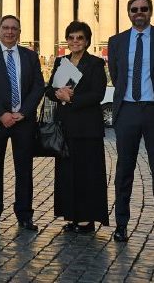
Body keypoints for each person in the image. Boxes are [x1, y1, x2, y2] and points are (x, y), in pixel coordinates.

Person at [0, 15, 44, 231]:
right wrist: (1, 113)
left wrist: (23, 112)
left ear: (19, 32)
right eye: (6, 28)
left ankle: (25, 215)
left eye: (14, 28)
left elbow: (38, 86)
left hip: (23, 121)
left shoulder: (30, 56)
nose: (9, 32)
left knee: (24, 169)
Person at [46, 21, 109, 233]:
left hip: (88, 129)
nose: (75, 41)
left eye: (80, 38)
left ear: (87, 41)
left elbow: (97, 94)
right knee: (67, 174)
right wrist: (58, 93)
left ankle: (87, 219)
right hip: (65, 128)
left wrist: (71, 99)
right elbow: (49, 90)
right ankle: (72, 215)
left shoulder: (95, 64)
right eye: (71, 38)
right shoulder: (60, 61)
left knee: (87, 174)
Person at [108, 0, 154, 242]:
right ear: (128, 13)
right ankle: (121, 224)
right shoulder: (117, 41)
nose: (139, 13)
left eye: (144, 9)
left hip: (152, 108)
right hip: (127, 109)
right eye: (134, 9)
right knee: (124, 169)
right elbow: (116, 76)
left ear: (150, 12)